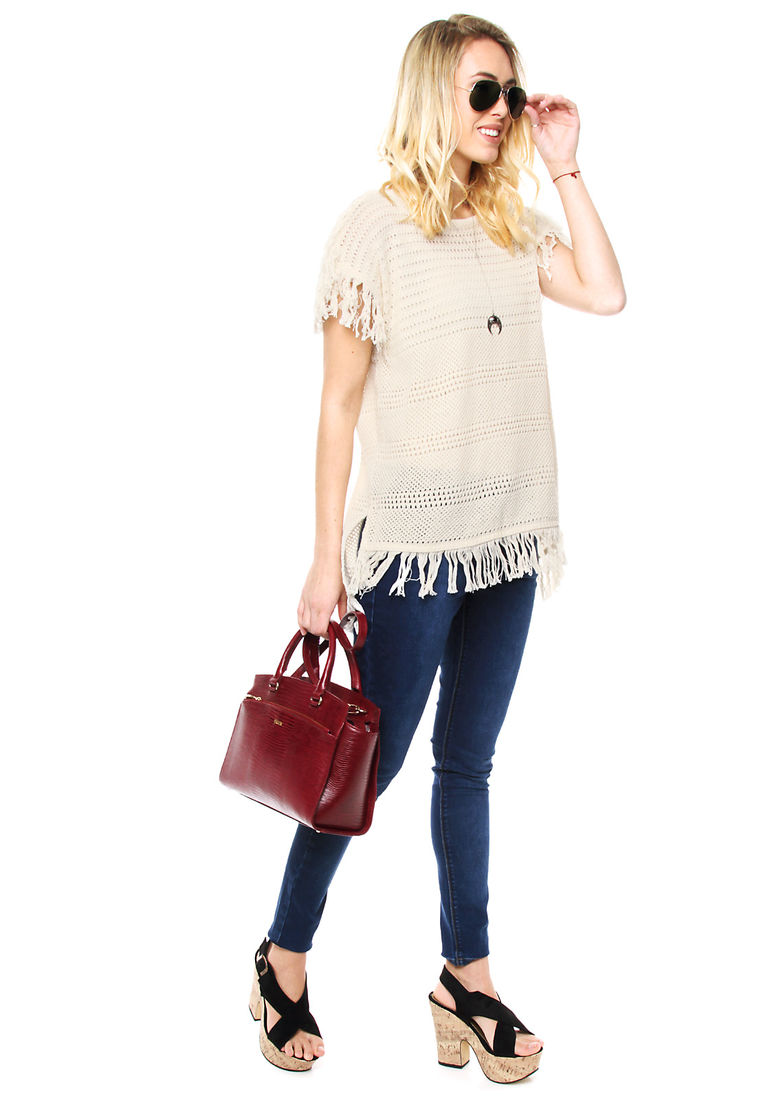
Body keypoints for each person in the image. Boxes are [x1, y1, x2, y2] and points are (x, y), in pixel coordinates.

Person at [249, 13, 625, 1082]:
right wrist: (324, 561)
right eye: (483, 93)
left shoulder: (511, 222)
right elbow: (337, 408)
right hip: (411, 552)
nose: (502, 111)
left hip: (507, 541)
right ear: (431, 98)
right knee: (360, 771)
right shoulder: (370, 234)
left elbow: (606, 292)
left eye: (511, 92)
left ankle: (468, 977)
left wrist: (566, 165)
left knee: (469, 765)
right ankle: (282, 957)